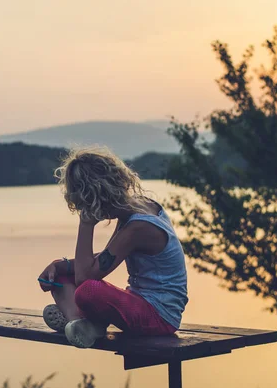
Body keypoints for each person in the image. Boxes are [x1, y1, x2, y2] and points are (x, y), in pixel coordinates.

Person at [38, 147, 188, 348]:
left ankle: (78, 321)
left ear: (94, 198)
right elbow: (105, 258)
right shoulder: (135, 209)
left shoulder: (138, 227)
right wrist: (61, 265)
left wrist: (86, 224)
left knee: (88, 290)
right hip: (138, 301)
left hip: (159, 316)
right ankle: (82, 324)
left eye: (84, 205)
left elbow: (85, 278)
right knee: (57, 277)